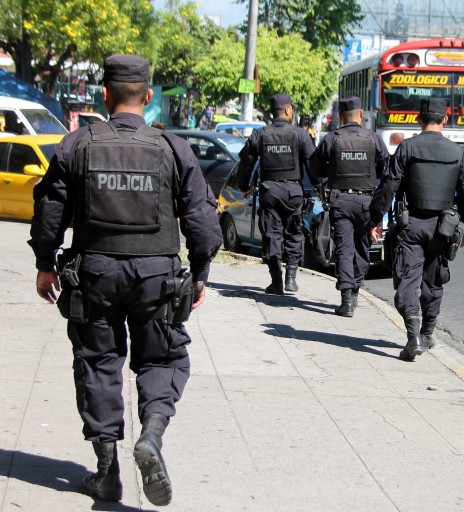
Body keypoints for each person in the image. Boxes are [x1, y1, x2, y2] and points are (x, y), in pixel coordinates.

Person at [28, 54, 222, 506]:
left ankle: (107, 472)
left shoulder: (76, 144)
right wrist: (199, 273)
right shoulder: (172, 148)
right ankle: (151, 435)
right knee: (162, 359)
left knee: (97, 363)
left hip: (94, 274)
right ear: (148, 96)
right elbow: (202, 218)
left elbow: (50, 210)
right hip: (157, 277)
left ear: (104, 95)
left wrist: (44, 263)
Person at [369, 98, 464, 361]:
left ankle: (413, 336)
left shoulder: (407, 147)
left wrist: (375, 219)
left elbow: (389, 185)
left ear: (419, 120)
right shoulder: (458, 152)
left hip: (410, 225)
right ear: (445, 120)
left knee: (407, 279)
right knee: (433, 279)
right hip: (443, 228)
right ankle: (427, 334)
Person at [310, 96, 389, 316]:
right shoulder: (374, 139)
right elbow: (386, 169)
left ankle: (346, 300)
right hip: (366, 202)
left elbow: (315, 167)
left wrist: (327, 176)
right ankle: (354, 292)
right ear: (361, 115)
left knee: (344, 249)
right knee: (362, 248)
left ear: (340, 117)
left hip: (341, 201)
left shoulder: (331, 139)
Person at [237, 93, 317, 295]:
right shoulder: (300, 134)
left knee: (271, 235)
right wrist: (321, 187)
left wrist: (244, 186)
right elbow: (313, 165)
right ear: (288, 110)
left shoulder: (260, 134)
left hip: (270, 192)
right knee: (294, 233)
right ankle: (291, 279)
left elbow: (246, 161)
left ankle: (276, 281)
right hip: (293, 193)